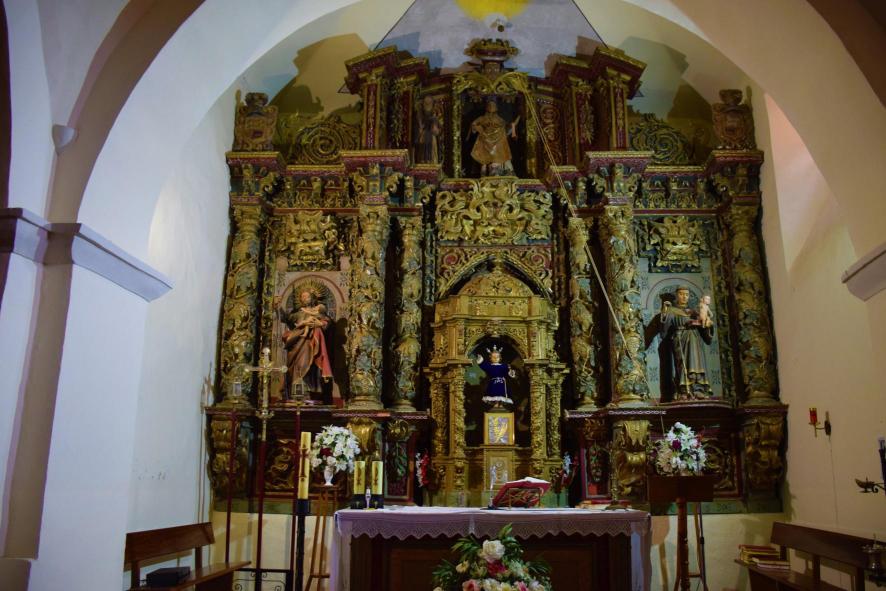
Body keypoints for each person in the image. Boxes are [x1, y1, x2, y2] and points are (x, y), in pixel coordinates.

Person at [657, 286, 715, 400]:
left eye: (687, 295)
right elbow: (664, 332)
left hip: (694, 340)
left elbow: (705, 332)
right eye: (681, 294)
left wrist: (708, 325)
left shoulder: (694, 312)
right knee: (682, 364)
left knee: (696, 363)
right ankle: (683, 390)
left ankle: (698, 389)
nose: (684, 297)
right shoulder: (671, 310)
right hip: (680, 339)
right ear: (677, 295)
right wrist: (664, 313)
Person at [281, 289, 333, 400]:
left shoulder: (318, 311)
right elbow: (286, 318)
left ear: (312, 298)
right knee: (298, 365)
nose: (304, 299)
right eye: (302, 297)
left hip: (311, 342)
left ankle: (309, 391)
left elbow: (327, 322)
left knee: (310, 366)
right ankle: (296, 390)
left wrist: (320, 324)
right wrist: (277, 307)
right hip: (298, 343)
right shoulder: (298, 313)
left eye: (307, 296)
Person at [469, 100, 519, 176]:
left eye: (493, 106)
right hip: (485, 141)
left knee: (499, 159)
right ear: (486, 108)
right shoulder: (482, 118)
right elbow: (474, 125)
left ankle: (497, 172)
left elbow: (506, 128)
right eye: (490, 105)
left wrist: (512, 126)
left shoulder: (500, 119)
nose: (491, 107)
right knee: (484, 161)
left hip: (498, 142)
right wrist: (479, 129)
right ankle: (484, 174)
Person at [414, 95, 441, 164]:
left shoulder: (435, 117)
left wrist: (435, 130)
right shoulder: (419, 116)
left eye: (429, 103)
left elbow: (438, 131)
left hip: (432, 140)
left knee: (432, 159)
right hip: (423, 139)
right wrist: (420, 131)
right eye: (426, 103)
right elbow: (417, 132)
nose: (427, 105)